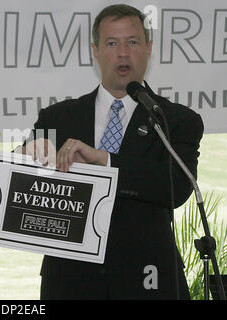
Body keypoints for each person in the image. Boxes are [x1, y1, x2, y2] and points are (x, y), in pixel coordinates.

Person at [23, 4, 204, 299]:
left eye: (132, 42)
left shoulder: (176, 120)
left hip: (148, 279)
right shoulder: (57, 118)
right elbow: (25, 185)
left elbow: (176, 187)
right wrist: (24, 157)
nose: (123, 53)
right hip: (70, 281)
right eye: (111, 43)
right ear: (95, 51)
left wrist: (105, 161)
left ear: (148, 48)